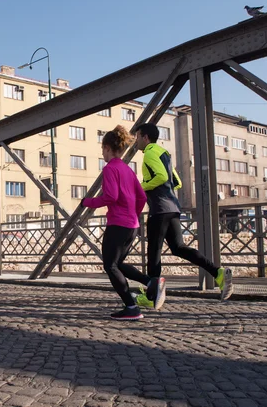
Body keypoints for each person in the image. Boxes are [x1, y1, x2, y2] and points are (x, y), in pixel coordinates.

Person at [133, 123, 234, 309]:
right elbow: (176, 181)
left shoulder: (149, 153)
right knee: (178, 247)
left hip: (160, 210)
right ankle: (217, 272)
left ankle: (152, 295)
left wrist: (141, 186)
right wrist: (162, 188)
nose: (136, 141)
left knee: (154, 253)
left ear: (145, 137)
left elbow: (162, 177)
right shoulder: (163, 152)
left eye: (137, 136)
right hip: (173, 208)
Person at [81, 125, 148, 320]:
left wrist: (88, 202)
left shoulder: (110, 168)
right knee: (117, 263)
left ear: (108, 148)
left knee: (110, 266)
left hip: (118, 224)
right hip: (132, 225)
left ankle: (131, 307)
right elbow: (142, 197)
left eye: (103, 149)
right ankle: (150, 282)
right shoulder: (127, 169)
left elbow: (110, 196)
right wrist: (132, 215)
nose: (102, 152)